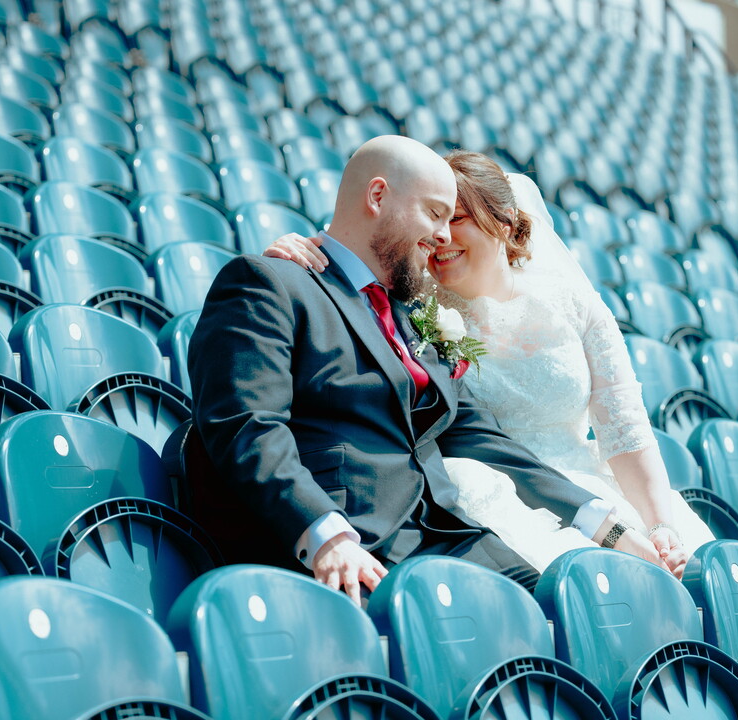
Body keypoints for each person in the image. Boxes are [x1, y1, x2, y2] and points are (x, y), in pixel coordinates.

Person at [187, 136, 665, 605]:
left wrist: (602, 521)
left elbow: (474, 430)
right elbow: (246, 425)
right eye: (436, 213)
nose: (443, 237)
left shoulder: (411, 312)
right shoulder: (272, 281)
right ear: (377, 196)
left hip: (445, 530)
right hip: (355, 539)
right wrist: (327, 536)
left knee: (567, 606)